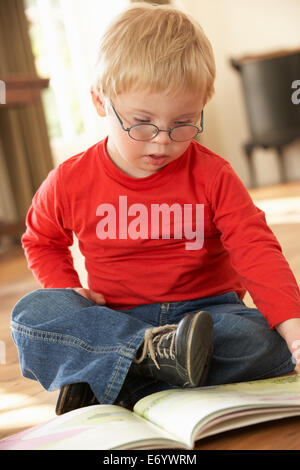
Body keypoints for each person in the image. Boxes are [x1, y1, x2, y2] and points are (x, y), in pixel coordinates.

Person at [11, 2, 300, 415]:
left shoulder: (214, 175)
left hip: (206, 317)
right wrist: (65, 287)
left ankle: (116, 374)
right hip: (116, 316)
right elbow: (41, 239)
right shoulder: (70, 180)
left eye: (183, 123)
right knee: (31, 316)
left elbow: (257, 250)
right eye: (141, 123)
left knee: (267, 342)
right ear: (100, 102)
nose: (161, 141)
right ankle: (145, 357)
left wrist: (294, 330)